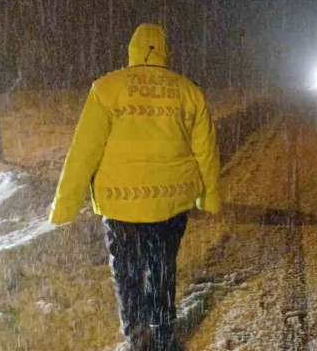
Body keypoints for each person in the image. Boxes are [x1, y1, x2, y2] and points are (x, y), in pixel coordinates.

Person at [49, 23, 221, 351]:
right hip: (170, 203)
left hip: (120, 204)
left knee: (127, 270)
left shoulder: (107, 88)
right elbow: (206, 152)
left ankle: (137, 332)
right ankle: (163, 332)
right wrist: (208, 195)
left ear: (132, 50)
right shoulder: (188, 91)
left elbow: (84, 151)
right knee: (162, 265)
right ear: (165, 51)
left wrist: (65, 204)